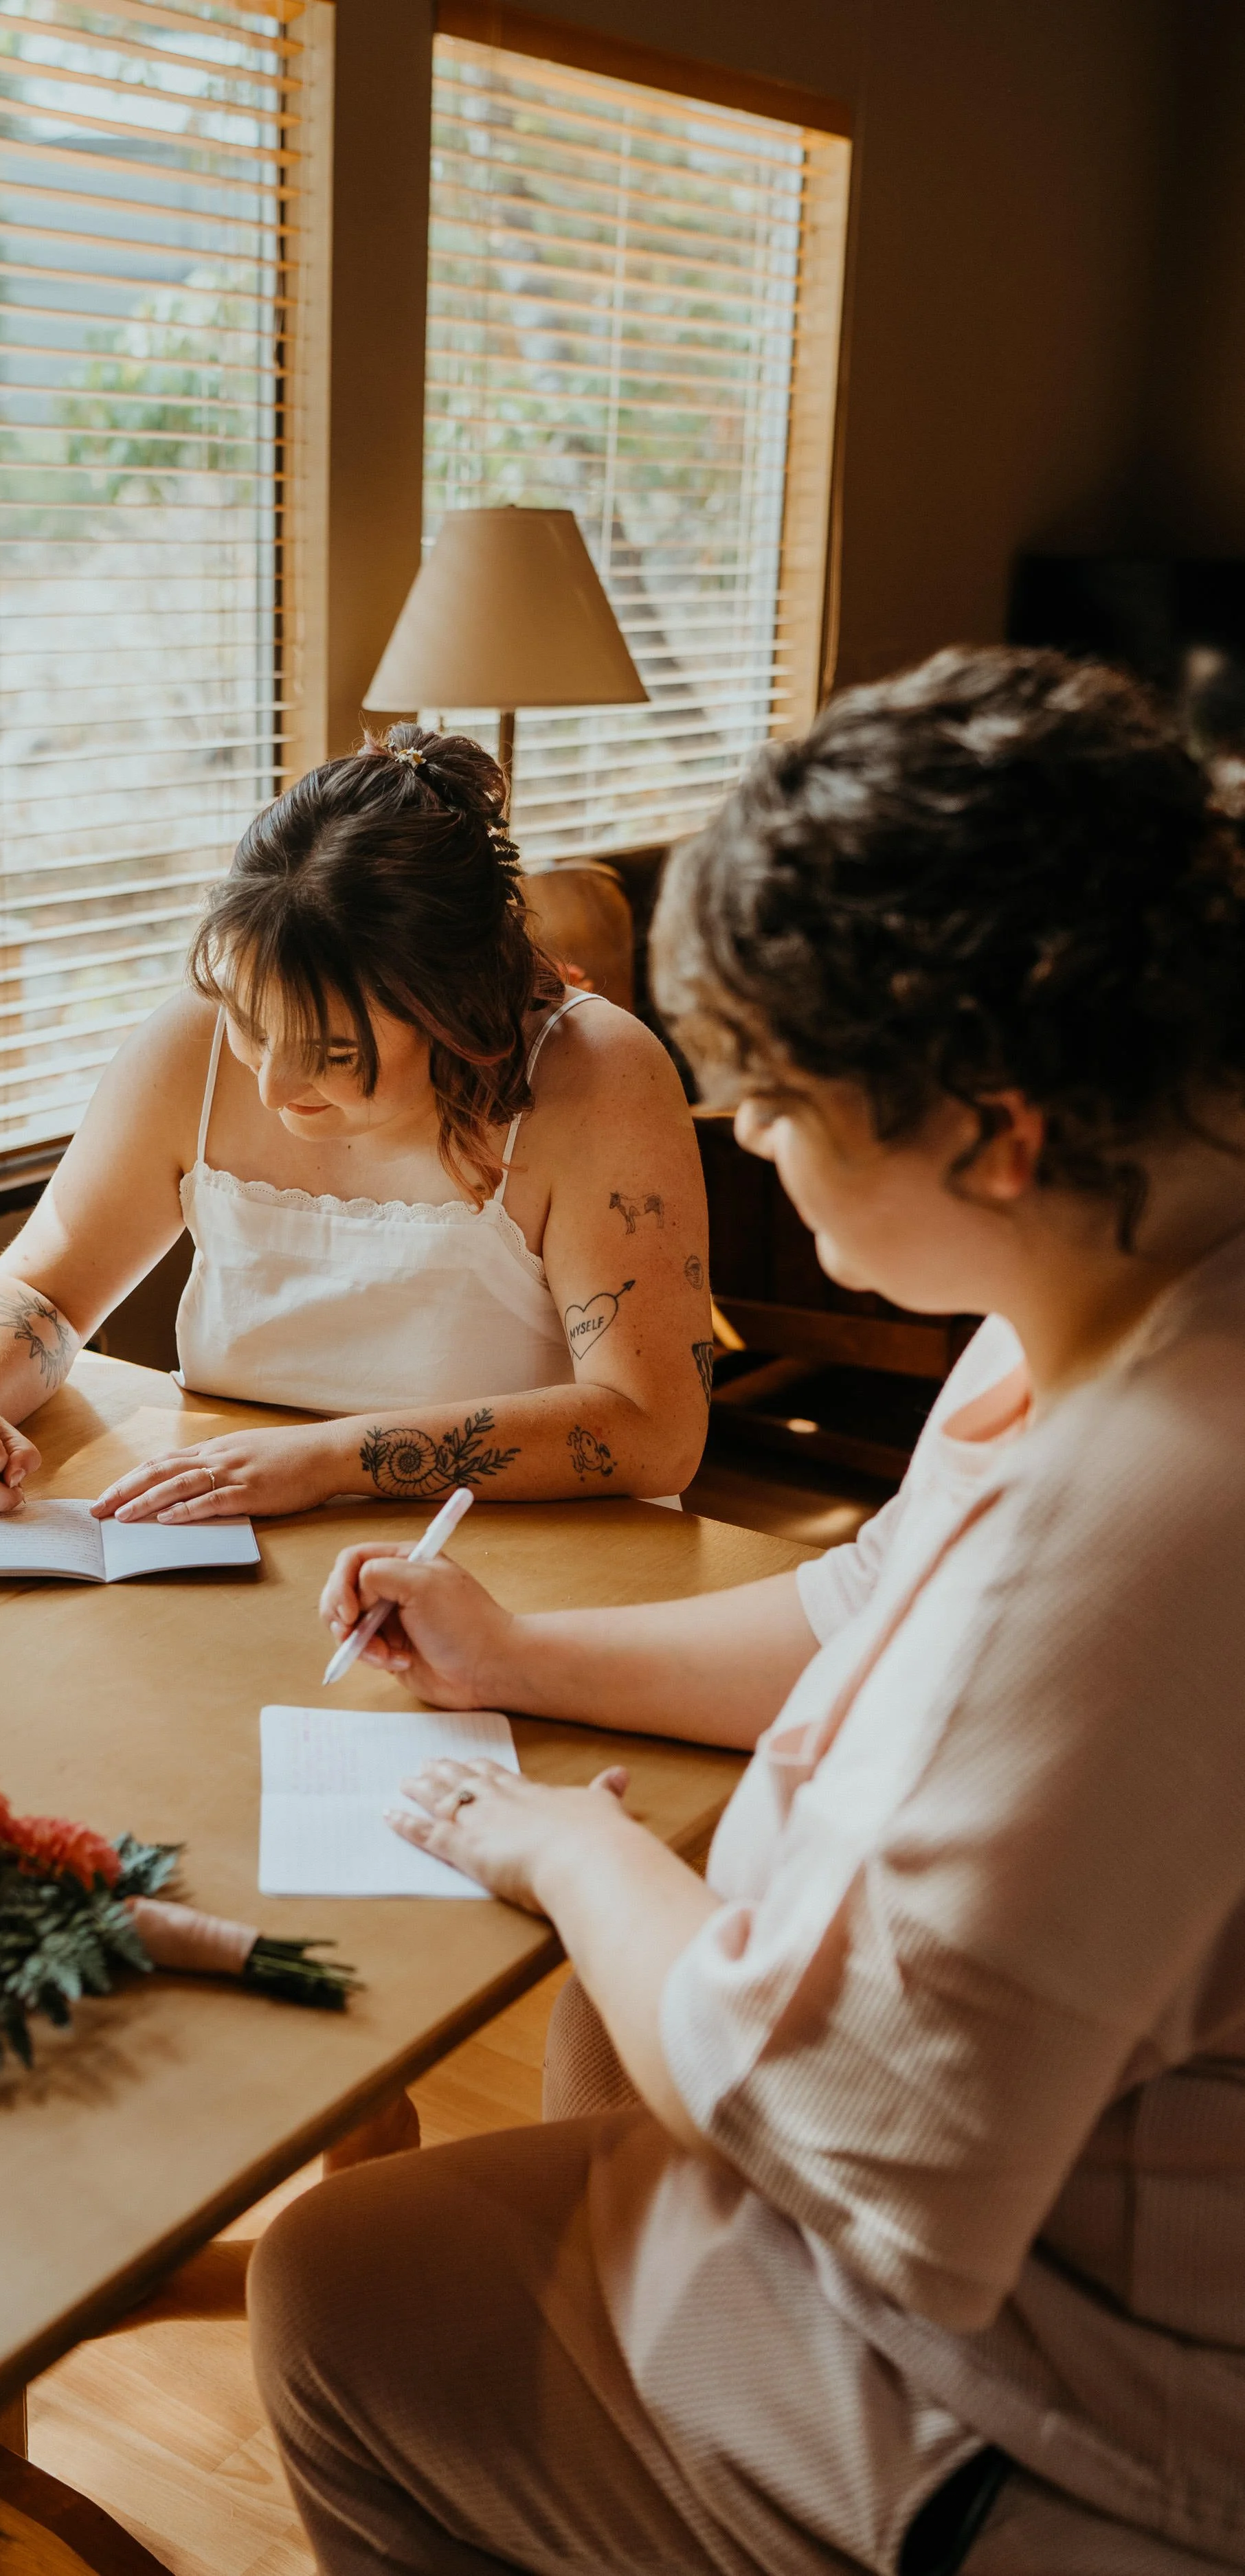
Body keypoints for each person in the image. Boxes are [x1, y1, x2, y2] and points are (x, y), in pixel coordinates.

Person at [255, 648, 1245, 2575]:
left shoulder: (1149, 1507)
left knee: (332, 2295)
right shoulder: (1109, 1290)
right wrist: (522, 1655)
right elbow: (869, 1602)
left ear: (994, 1124)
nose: (752, 1142)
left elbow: (854, 2125)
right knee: (537, 2121)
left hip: (1080, 2419)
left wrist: (572, 1851)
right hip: (1080, 2249)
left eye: (776, 1099)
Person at [0, 726, 710, 1524]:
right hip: (233, 1544)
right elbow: (43, 1293)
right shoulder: (190, 1045)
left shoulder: (597, 1073)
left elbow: (654, 1429)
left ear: (454, 1008)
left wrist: (327, 1462)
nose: (272, 1086)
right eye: (250, 1025)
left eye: (331, 1051)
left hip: (527, 1553)